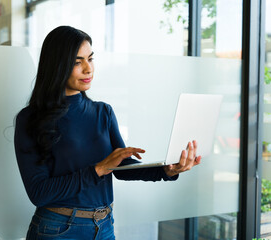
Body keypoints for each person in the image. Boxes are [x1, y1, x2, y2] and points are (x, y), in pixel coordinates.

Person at [14, 25, 201, 240]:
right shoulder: (30, 118)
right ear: (57, 65)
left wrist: (167, 170)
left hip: (103, 226)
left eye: (90, 59)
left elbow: (121, 168)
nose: (88, 69)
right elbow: (39, 193)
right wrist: (99, 168)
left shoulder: (103, 112)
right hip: (57, 230)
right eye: (77, 62)